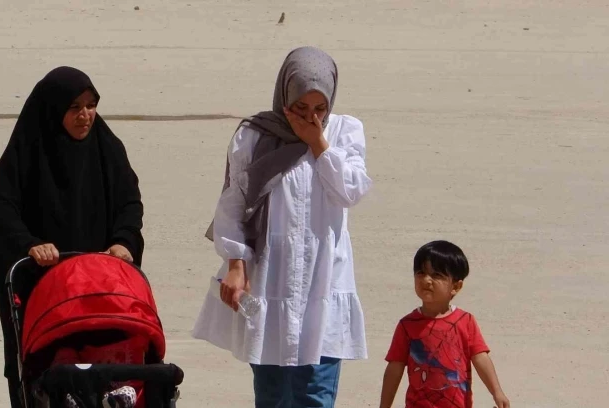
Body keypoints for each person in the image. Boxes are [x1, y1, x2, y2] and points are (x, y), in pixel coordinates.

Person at [193, 46, 373, 407]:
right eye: (300, 108)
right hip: (270, 279)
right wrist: (236, 263)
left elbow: (350, 191)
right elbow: (234, 202)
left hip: (323, 280)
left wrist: (318, 143)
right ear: (284, 96)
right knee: (272, 394)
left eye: (320, 108)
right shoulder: (254, 135)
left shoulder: (344, 131)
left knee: (316, 392)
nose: (311, 118)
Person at [0, 66, 144, 407]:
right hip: (45, 289)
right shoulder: (29, 151)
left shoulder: (107, 148)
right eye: (74, 108)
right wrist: (30, 244)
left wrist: (124, 241)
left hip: (100, 284)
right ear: (53, 110)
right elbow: (1, 206)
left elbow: (129, 203)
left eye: (91, 105)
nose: (85, 116)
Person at [379, 240, 510, 408]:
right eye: (421, 273)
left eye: (437, 275)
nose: (426, 280)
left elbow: (480, 358)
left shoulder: (465, 321)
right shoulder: (407, 325)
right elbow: (394, 368)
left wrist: (497, 391)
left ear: (456, 286)